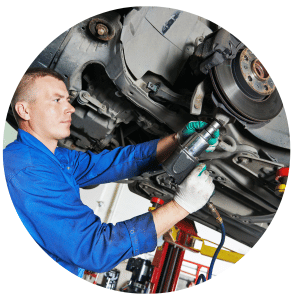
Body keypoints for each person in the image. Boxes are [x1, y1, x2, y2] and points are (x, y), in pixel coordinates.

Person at [3, 68, 218, 278]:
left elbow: (113, 163)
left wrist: (178, 139)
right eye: (57, 100)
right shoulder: (26, 170)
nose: (70, 108)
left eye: (68, 100)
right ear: (24, 110)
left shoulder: (52, 157)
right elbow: (96, 249)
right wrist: (182, 206)